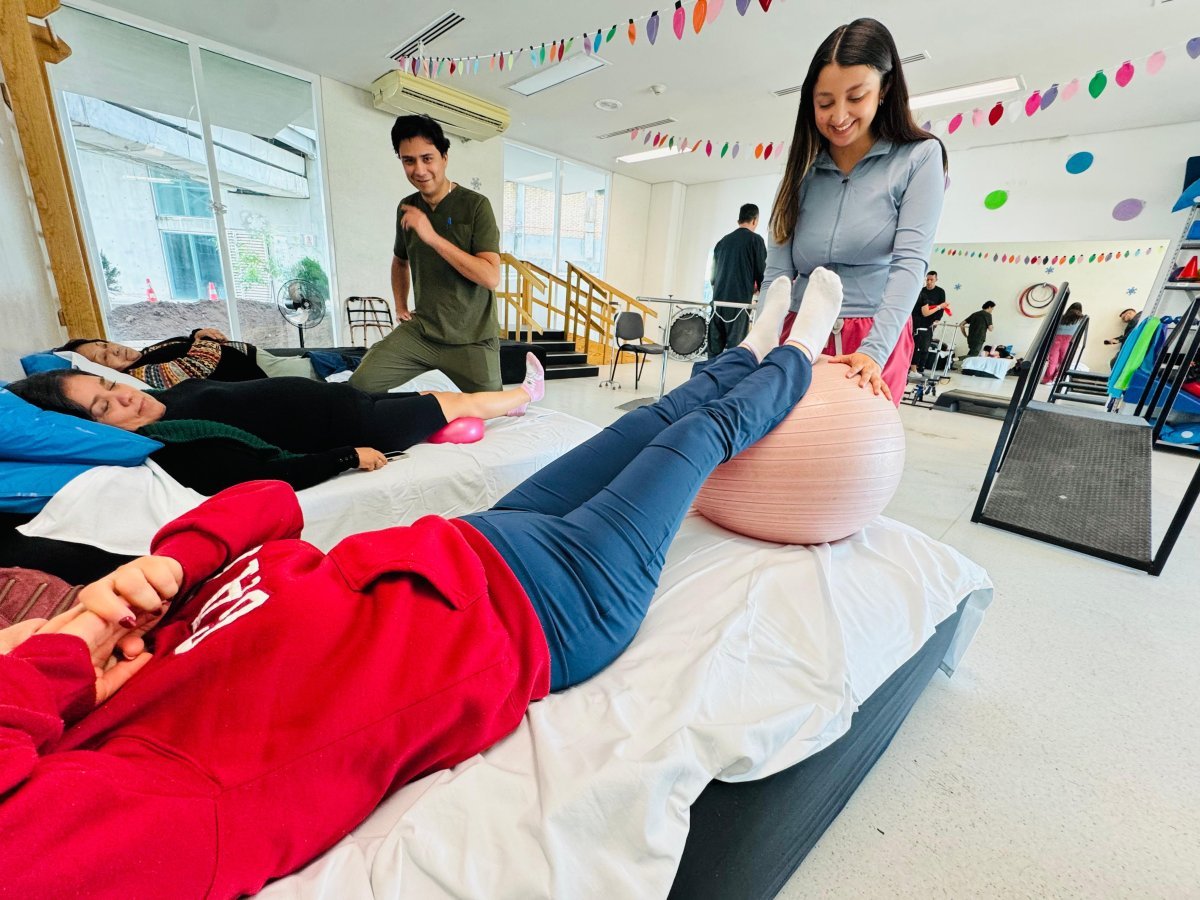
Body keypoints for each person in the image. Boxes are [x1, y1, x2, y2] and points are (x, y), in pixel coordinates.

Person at [0, 271, 844, 896]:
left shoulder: (133, 646)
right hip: (550, 606)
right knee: (698, 437)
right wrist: (57, 658)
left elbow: (267, 507)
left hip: (471, 543)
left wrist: (170, 564)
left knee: (652, 419)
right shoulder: (140, 794)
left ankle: (750, 352)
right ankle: (802, 355)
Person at [6, 353, 545, 495]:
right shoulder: (175, 444)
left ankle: (446, 420)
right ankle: (523, 398)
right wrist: (347, 456)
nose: (123, 395)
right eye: (105, 410)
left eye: (109, 385)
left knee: (428, 394)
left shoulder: (155, 399)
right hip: (350, 427)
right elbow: (260, 475)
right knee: (457, 400)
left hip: (342, 402)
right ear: (96, 432)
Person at [764, 17, 947, 406]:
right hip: (799, 334)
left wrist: (874, 352)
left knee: (856, 459)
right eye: (825, 102)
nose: (839, 115)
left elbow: (910, 264)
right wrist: (761, 341)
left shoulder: (919, 157)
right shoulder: (802, 166)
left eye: (856, 97)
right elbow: (778, 273)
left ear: (885, 89)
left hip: (873, 334)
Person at [351, 115, 503, 394]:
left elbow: (491, 276)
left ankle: (527, 391)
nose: (419, 170)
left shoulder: (476, 206)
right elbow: (400, 261)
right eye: (408, 161)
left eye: (427, 158)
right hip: (423, 332)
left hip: (473, 338)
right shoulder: (406, 207)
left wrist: (432, 237)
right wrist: (400, 305)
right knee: (359, 386)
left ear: (444, 157)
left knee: (493, 413)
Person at [55, 331, 360, 389]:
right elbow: (195, 366)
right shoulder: (141, 375)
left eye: (105, 344)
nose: (114, 349)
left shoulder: (144, 356)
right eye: (103, 356)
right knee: (325, 366)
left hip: (254, 358)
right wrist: (203, 341)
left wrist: (196, 333)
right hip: (261, 372)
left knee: (332, 359)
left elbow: (182, 346)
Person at [707, 203, 768, 358]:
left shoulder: (722, 242)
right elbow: (762, 273)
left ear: (738, 220)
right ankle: (730, 382)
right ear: (755, 220)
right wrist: (762, 296)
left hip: (718, 304)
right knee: (734, 353)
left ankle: (707, 381)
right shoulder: (756, 240)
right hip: (738, 306)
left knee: (713, 353)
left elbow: (713, 277)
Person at [910, 270, 950, 373]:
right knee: (915, 345)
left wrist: (937, 319)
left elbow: (941, 308)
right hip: (918, 320)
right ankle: (913, 368)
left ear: (936, 280)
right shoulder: (922, 292)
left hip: (930, 322)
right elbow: (924, 312)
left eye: (931, 280)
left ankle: (921, 367)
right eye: (927, 280)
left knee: (925, 346)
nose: (929, 282)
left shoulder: (940, 292)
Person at [1041, 301, 1084, 384]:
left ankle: (1047, 379)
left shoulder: (1062, 317)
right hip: (1068, 340)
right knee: (1063, 361)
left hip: (1056, 339)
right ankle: (1058, 379)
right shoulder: (1081, 318)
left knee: (1053, 361)